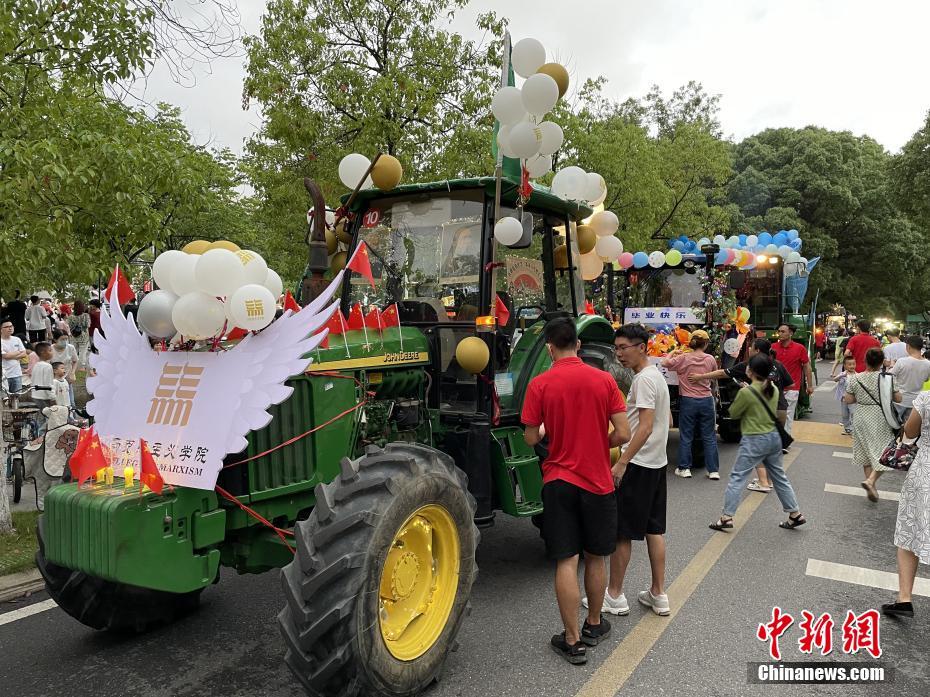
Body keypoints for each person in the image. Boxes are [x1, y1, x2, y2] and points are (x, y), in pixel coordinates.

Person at [521, 317, 631, 664]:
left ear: (550, 347)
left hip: (559, 482)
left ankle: (571, 640)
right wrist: (601, 443)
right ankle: (594, 624)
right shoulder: (604, 380)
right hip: (598, 482)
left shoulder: (540, 383)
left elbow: (530, 437)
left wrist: (544, 431)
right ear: (579, 345)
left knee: (566, 560)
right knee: (595, 556)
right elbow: (625, 434)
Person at [598, 324, 672, 617]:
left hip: (639, 464)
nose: (619, 354)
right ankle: (658, 593)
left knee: (622, 534)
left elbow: (644, 426)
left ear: (642, 347)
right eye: (616, 348)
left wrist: (622, 461)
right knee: (654, 529)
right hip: (657, 462)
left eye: (623, 347)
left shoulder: (643, 380)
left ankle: (614, 595)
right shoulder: (657, 376)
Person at [709, 353, 806, 532]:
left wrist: (743, 391)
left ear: (751, 371)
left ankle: (726, 517)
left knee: (737, 477)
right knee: (779, 477)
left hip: (754, 438)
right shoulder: (773, 389)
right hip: (773, 438)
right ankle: (795, 514)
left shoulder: (747, 391)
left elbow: (735, 412)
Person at [690, 338, 794, 492]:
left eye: (751, 348)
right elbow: (789, 384)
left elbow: (722, 373)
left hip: (761, 412)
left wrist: (699, 377)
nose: (749, 350)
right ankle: (770, 481)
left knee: (757, 447)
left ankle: (762, 482)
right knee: (773, 449)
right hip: (780, 409)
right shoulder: (777, 365)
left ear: (757, 350)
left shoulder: (751, 365)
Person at [884, 392, 930, 619]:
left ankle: (904, 598)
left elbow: (910, 432)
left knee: (910, 533)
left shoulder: (927, 398)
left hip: (925, 473)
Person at [845, 347, 901, 502]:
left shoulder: (855, 378)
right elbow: (898, 399)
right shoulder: (887, 378)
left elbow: (848, 400)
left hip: (861, 416)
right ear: (882, 362)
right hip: (880, 416)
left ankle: (872, 486)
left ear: (865, 361)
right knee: (885, 453)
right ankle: (871, 481)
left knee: (866, 452)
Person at [661, 329, 719, 479]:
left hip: (688, 400)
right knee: (709, 436)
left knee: (687, 435)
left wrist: (673, 353)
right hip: (706, 400)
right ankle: (713, 470)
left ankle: (684, 468)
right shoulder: (710, 359)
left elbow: (664, 363)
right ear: (706, 344)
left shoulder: (684, 358)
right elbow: (714, 377)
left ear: (691, 343)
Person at [771, 323, 814, 434]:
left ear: (791, 333)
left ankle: (785, 441)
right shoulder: (773, 347)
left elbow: (807, 367)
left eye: (783, 331)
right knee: (774, 415)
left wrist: (810, 385)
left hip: (792, 388)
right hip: (774, 387)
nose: (779, 334)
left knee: (788, 415)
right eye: (779, 331)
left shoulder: (800, 348)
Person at [890, 336, 930, 422]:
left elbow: (891, 376)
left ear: (908, 346)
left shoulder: (901, 361)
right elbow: (926, 379)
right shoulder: (928, 364)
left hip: (900, 401)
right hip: (916, 402)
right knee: (910, 429)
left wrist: (892, 365)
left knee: (897, 427)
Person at [50, 330, 78, 406]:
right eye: (62, 339)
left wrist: (72, 373)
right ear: (55, 340)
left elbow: (75, 361)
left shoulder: (70, 348)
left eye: (66, 339)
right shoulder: (50, 349)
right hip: (54, 379)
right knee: (58, 402)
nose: (65, 341)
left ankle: (72, 416)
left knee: (71, 402)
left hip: (67, 377)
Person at [832, 356, 858, 435]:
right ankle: (847, 428)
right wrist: (841, 376)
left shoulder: (857, 375)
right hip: (843, 399)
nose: (852, 366)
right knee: (845, 414)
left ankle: (854, 430)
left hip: (853, 399)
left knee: (853, 413)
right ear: (845, 366)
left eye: (853, 364)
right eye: (849, 364)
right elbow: (835, 380)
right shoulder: (842, 374)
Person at [1, 319, 27, 393]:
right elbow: (5, 356)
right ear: (1, 329)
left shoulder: (17, 339)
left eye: (11, 326)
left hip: (17, 373)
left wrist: (10, 355)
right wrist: (18, 352)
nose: (10, 328)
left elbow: (24, 354)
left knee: (16, 398)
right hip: (4, 376)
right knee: (5, 398)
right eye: (7, 327)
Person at [67, 300, 92, 369]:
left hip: (74, 336)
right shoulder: (86, 315)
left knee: (73, 351)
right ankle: (80, 367)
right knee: (83, 352)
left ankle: (72, 365)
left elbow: (68, 325)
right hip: (84, 337)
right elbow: (88, 325)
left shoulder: (71, 316)